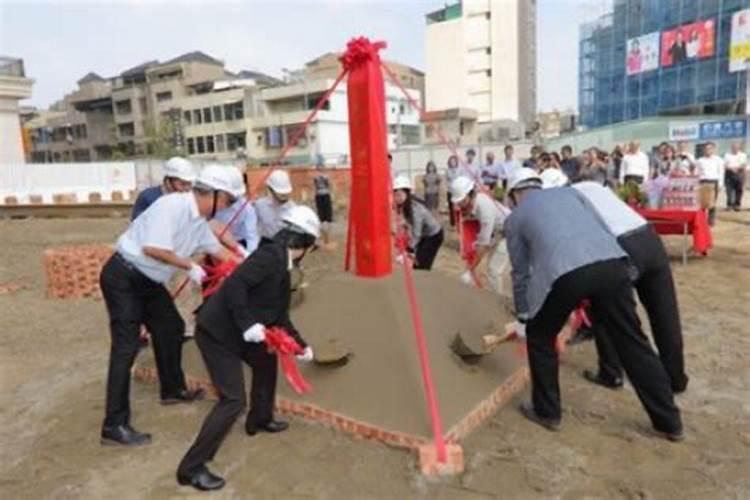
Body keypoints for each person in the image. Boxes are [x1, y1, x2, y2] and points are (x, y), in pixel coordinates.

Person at [503, 168, 683, 441]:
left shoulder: (516, 218)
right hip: (614, 264)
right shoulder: (571, 194)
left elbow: (521, 273)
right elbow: (601, 225)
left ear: (514, 195)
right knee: (632, 340)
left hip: (567, 274)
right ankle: (669, 421)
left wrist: (524, 316)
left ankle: (547, 411)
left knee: (540, 336)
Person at [177, 206, 319, 491]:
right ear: (303, 245)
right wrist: (247, 324)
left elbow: (279, 316)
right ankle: (190, 469)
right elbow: (234, 288)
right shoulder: (269, 257)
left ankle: (260, 419)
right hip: (217, 333)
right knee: (232, 400)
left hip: (239, 329)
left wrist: (300, 346)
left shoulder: (280, 263)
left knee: (266, 361)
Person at [99, 165, 239, 447]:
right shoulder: (172, 206)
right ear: (213, 194)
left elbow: (219, 251)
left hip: (149, 281)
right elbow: (153, 248)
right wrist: (189, 266)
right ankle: (114, 425)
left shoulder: (199, 221)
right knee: (125, 348)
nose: (228, 207)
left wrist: (250, 266)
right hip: (123, 276)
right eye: (228, 200)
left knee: (171, 327)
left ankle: (172, 389)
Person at [571, 180, 689, 394]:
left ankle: (612, 373)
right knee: (665, 315)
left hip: (621, 247)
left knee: (610, 314)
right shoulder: (594, 187)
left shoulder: (565, 199)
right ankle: (676, 378)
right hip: (648, 238)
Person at [450, 176, 511, 294]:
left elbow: (483, 245)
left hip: (510, 231)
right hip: (498, 232)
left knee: (494, 269)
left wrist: (470, 269)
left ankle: (497, 302)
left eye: (462, 201)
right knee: (491, 267)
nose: (460, 205)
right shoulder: (474, 203)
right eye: (458, 202)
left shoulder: (484, 208)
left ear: (471, 193)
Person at [393, 175, 444, 270]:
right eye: (395, 195)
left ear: (407, 193)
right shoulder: (404, 207)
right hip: (424, 235)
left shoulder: (415, 209)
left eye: (400, 194)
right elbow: (408, 224)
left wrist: (409, 248)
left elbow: (417, 233)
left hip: (434, 236)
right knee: (416, 263)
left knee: (422, 265)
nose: (397, 197)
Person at [131, 157, 196, 220]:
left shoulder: (191, 199)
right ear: (167, 181)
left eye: (189, 184)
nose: (187, 188)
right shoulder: (148, 197)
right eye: (183, 184)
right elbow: (137, 225)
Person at [212, 168, 259, 254]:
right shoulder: (211, 204)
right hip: (215, 244)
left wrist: (250, 256)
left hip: (239, 243)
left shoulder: (246, 208)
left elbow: (251, 236)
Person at [254, 169, 296, 241]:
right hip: (265, 245)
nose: (284, 195)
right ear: (270, 189)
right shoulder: (259, 206)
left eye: (286, 192)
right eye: (280, 193)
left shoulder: (294, 210)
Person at [696, 142, 724, 226]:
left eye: (710, 148)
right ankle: (701, 220)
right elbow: (697, 172)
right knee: (702, 203)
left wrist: (720, 184)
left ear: (713, 149)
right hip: (703, 181)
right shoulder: (700, 160)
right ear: (704, 150)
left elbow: (721, 172)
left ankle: (711, 221)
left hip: (713, 181)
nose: (708, 150)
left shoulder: (718, 160)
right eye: (706, 148)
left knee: (712, 203)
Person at [313, 163, 335, 246]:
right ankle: (327, 240)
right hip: (325, 195)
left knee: (322, 218)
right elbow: (329, 185)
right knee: (327, 218)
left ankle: (325, 239)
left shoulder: (315, 177)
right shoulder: (326, 176)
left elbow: (315, 186)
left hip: (318, 195)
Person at [723, 142, 747, 211]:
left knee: (739, 190)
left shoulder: (743, 155)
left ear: (739, 148)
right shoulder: (727, 155)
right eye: (733, 147)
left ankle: (737, 205)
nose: (735, 149)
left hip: (739, 173)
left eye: (736, 147)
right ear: (731, 148)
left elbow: (744, 164)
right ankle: (729, 205)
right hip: (729, 174)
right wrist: (731, 169)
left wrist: (736, 168)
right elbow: (724, 165)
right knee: (729, 190)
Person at [445, 155, 461, 227]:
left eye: (454, 161)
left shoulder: (460, 170)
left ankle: (459, 221)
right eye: (451, 161)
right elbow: (447, 180)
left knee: (459, 207)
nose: (453, 163)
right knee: (451, 207)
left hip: (458, 191)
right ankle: (452, 223)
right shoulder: (447, 171)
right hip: (450, 191)